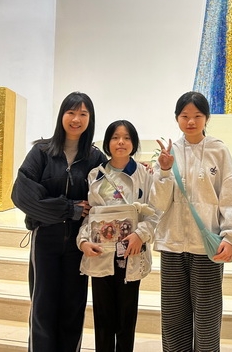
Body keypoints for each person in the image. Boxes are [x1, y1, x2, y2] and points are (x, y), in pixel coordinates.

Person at [11, 91, 106, 351]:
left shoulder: (95, 158)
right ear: (61, 115)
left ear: (90, 119)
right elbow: (22, 195)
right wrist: (69, 209)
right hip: (46, 240)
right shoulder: (41, 152)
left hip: (79, 243)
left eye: (83, 114)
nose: (76, 119)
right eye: (71, 112)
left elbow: (109, 194)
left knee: (73, 307)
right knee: (43, 306)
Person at [153, 91, 232, 352]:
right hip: (172, 244)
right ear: (177, 118)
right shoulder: (168, 152)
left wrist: (230, 236)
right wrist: (164, 170)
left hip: (208, 247)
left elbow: (229, 196)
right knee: (173, 319)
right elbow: (158, 203)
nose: (191, 121)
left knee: (207, 319)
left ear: (207, 118)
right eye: (185, 116)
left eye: (197, 116)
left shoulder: (219, 150)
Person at [77, 120, 159, 352]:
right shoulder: (95, 175)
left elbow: (155, 212)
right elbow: (90, 215)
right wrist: (83, 241)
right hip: (100, 253)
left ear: (134, 143)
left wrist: (140, 235)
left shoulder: (144, 174)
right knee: (102, 318)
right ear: (107, 143)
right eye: (115, 137)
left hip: (130, 252)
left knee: (126, 317)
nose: (120, 142)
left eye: (126, 138)